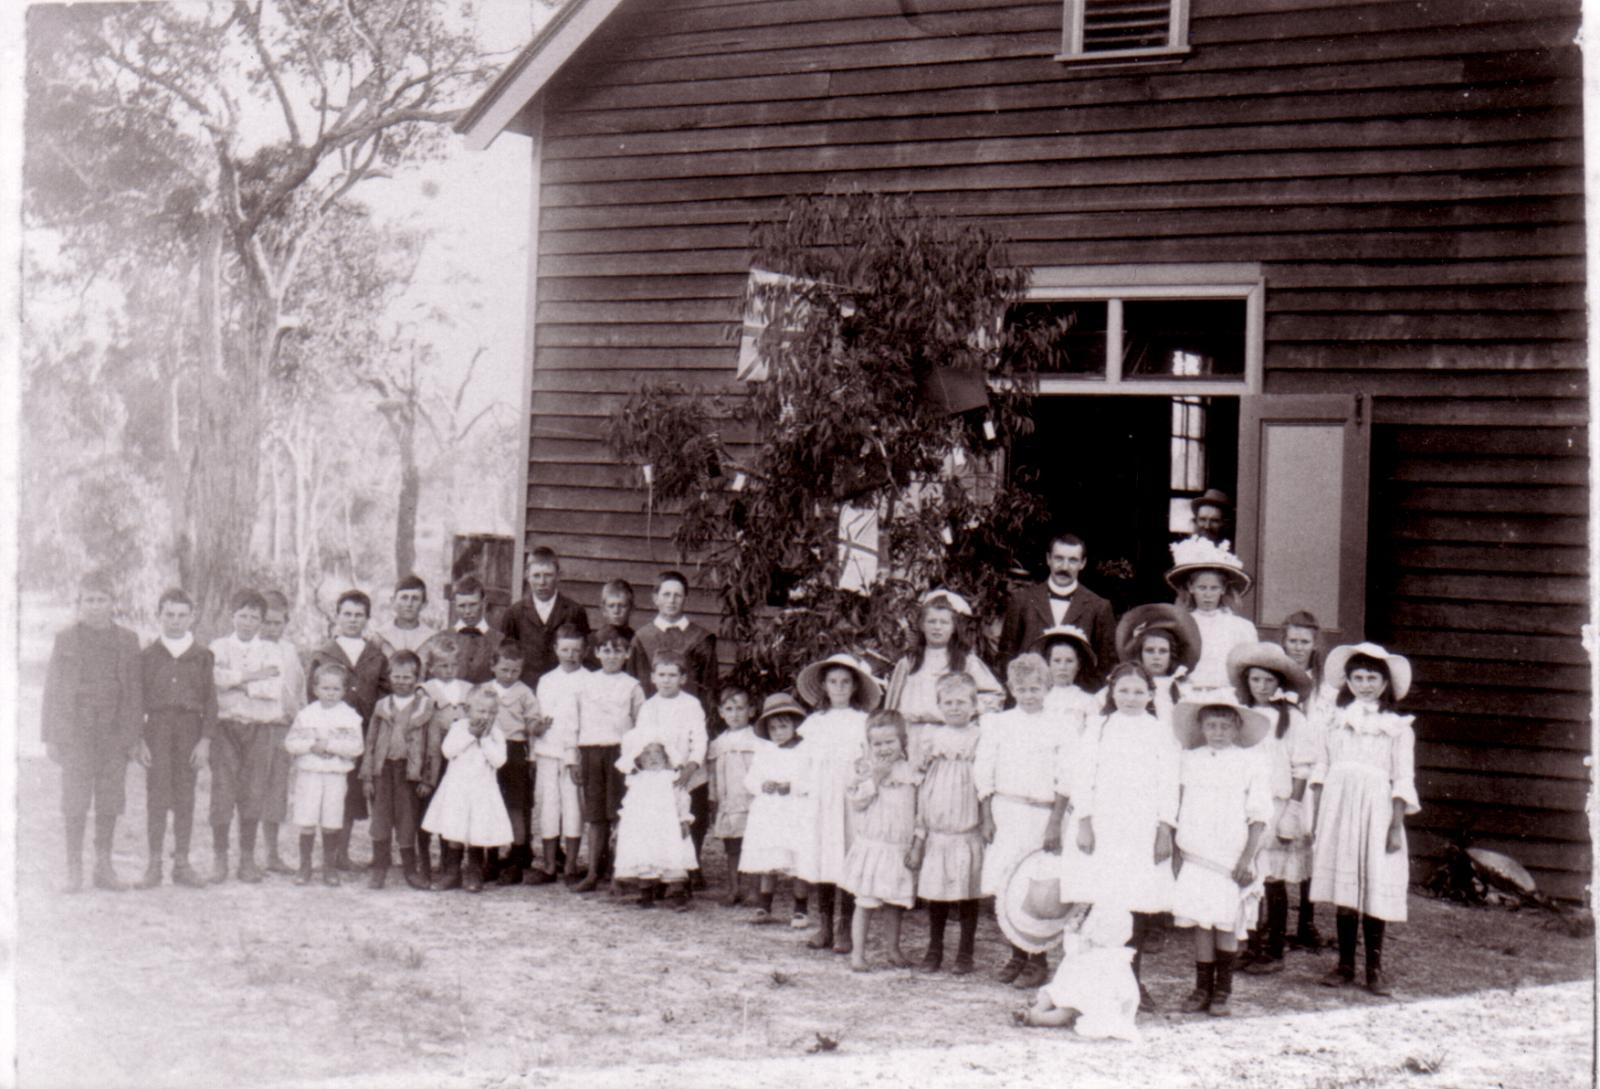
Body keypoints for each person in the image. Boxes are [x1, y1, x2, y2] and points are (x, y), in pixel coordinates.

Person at [1047, 662, 1178, 1012]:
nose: (1131, 698)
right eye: (1124, 691)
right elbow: (1082, 776)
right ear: (1111, 692)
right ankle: (1088, 984)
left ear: (1151, 695)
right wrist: (1085, 822)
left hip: (1140, 826)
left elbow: (1168, 782)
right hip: (1103, 824)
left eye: (1139, 692)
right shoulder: (1098, 727)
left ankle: (1131, 983)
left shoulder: (1160, 731)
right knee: (1099, 901)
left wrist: (1165, 828)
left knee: (1133, 904)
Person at [1310, 643, 1418, 997]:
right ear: (1348, 681)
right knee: (1345, 887)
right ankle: (1344, 965)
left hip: (1377, 809)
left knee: (1373, 881)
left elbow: (1402, 779)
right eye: (1358, 677)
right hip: (1339, 806)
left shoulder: (1397, 727)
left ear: (1385, 682)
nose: (1365, 684)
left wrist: (1395, 825)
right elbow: (1321, 769)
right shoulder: (1335, 721)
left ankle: (1374, 968)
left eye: (1372, 678)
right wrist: (1316, 815)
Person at [1170, 694, 1272, 1017]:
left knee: (1225, 921)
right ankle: (1202, 988)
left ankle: (1223, 991)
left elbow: (1258, 815)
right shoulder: (1190, 759)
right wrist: (1176, 849)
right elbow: (1179, 802)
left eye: (1225, 726)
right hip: (1196, 852)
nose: (1218, 732)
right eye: (1211, 725)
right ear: (1201, 727)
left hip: (1230, 856)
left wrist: (1248, 857)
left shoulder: (1250, 761)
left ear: (1236, 727)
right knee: (1202, 920)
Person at [976, 654, 1066, 989]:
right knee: (1005, 883)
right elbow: (984, 771)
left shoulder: (1060, 725)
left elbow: (1066, 778)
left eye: (1036, 688)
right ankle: (1017, 954)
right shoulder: (999, 724)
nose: (1029, 695)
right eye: (1022, 689)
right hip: (1007, 812)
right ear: (1011, 690)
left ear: (1047, 688)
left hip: (1042, 815)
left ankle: (1038, 959)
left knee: (1036, 887)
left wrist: (1056, 822)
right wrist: (986, 816)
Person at [1228, 642, 1315, 975]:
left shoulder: (1291, 717)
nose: (1261, 687)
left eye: (1268, 681)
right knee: (1250, 876)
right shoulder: (1241, 715)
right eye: (1255, 680)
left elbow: (1301, 767)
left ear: (1279, 683)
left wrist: (1293, 808)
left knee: (1274, 880)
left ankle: (1275, 949)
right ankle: (1252, 943)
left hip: (1277, 805)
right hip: (1246, 804)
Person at [628, 571, 719, 868]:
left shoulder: (700, 637)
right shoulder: (642, 637)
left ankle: (690, 867)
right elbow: (635, 684)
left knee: (691, 801)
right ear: (655, 598)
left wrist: (700, 743)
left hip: (689, 727)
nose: (671, 600)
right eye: (665, 594)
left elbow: (709, 687)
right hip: (654, 732)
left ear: (685, 598)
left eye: (677, 594)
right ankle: (657, 863)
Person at [793, 652, 880, 955]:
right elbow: (803, 764)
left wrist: (864, 788)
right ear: (824, 686)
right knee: (822, 857)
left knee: (846, 857)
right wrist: (802, 794)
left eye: (845, 682)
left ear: (855, 686)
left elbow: (868, 762)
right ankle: (825, 924)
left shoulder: (862, 722)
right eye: (833, 682)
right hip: (820, 799)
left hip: (848, 799)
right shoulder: (815, 723)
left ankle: (845, 926)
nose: (839, 687)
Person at [138, 588, 216, 889]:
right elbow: (137, 700)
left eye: (182, 615)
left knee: (185, 796)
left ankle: (181, 862)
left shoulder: (202, 656)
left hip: (189, 731)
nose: (175, 621)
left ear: (192, 617)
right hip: (157, 729)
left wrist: (205, 740)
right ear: (159, 616)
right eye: (169, 614)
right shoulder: (148, 655)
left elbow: (211, 702)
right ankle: (154, 864)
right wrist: (139, 739)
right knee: (156, 796)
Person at [307, 589, 390, 871]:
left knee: (352, 790)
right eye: (347, 614)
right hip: (330, 733)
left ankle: (342, 852)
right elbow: (311, 695)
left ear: (367, 618)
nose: (353, 620)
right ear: (337, 616)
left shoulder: (376, 655)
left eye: (359, 615)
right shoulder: (324, 653)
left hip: (364, 733)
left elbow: (384, 693)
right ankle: (329, 856)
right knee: (330, 789)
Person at [909, 670, 985, 975]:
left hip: (968, 824)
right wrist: (920, 828)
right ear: (939, 705)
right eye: (949, 702)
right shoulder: (932, 737)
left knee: (968, 890)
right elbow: (921, 780)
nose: (955, 707)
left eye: (961, 702)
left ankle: (965, 951)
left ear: (974, 704)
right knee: (937, 891)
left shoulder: (980, 736)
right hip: (939, 825)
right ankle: (934, 948)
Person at [208, 589, 284, 884]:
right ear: (232, 616)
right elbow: (214, 682)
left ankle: (247, 858)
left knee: (253, 791)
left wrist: (235, 681)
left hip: (259, 727)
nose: (248, 622)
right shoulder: (218, 646)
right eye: (243, 615)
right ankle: (219, 858)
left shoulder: (271, 650)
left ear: (262, 621)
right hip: (225, 727)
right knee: (223, 790)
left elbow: (273, 691)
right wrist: (253, 677)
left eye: (255, 617)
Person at [626, 649, 710, 905]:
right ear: (653, 677)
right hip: (659, 778)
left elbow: (699, 737)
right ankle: (659, 877)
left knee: (685, 826)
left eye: (672, 675)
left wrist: (692, 765)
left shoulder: (691, 704)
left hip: (687, 774)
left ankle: (683, 878)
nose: (666, 680)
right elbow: (643, 740)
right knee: (658, 828)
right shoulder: (649, 707)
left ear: (683, 678)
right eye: (661, 675)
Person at [842, 710, 920, 972]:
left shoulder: (910, 771)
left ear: (902, 742)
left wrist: (916, 843)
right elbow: (857, 802)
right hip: (874, 846)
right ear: (868, 745)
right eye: (878, 743)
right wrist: (875, 777)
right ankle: (858, 953)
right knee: (865, 902)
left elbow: (919, 810)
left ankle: (892, 949)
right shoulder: (864, 770)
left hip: (899, 847)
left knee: (894, 902)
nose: (884, 748)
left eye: (890, 742)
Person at [573, 625, 644, 893]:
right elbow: (575, 722)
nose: (612, 656)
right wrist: (575, 758)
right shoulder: (586, 683)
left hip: (620, 754)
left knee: (619, 815)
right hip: (591, 752)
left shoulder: (633, 687)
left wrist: (635, 759)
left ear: (627, 654)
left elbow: (640, 724)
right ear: (597, 653)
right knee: (595, 816)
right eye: (606, 651)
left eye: (618, 651)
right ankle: (592, 872)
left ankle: (619, 874)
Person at [422, 686, 514, 894]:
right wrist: (471, 736)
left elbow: (499, 761)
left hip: (483, 791)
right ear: (468, 710)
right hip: (458, 788)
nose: (486, 716)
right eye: (481, 711)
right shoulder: (459, 728)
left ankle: (474, 871)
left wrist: (483, 739)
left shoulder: (496, 734)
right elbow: (448, 751)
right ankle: (452, 873)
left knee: (477, 831)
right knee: (455, 829)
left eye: (491, 712)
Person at [284, 662, 366, 887]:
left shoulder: (349, 716)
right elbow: (291, 743)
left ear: (344, 690)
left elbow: (357, 747)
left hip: (335, 775)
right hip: (310, 773)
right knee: (307, 819)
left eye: (336, 689)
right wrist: (312, 745)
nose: (330, 694)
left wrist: (330, 745)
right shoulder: (306, 714)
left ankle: (329, 867)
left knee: (331, 820)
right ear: (315, 689)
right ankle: (305, 866)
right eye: (326, 688)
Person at [360, 650, 435, 891]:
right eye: (397, 676)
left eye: (407, 677)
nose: (402, 682)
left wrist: (428, 779)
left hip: (409, 774)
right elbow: (370, 743)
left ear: (417, 678)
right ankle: (380, 867)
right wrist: (368, 776)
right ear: (389, 676)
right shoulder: (382, 706)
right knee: (380, 818)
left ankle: (410, 870)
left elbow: (432, 747)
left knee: (407, 819)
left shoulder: (425, 708)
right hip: (383, 771)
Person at [1278, 608, 1330, 950]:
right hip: (1287, 769)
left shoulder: (1325, 686)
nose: (1298, 647)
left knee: (1310, 839)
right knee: (1280, 840)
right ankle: (1274, 919)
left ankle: (1306, 920)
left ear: (1314, 644)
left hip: (1317, 772)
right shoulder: (1278, 679)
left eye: (1304, 642)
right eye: (1292, 640)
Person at [998, 534, 1116, 679]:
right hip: (1030, 692)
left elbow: (1106, 665)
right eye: (1059, 558)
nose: (1064, 567)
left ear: (1083, 563)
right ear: (1049, 559)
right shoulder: (1022, 601)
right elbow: (1006, 655)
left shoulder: (1099, 607)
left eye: (1073, 560)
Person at [1015, 904, 1140, 1041]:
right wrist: (1075, 929)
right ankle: (1037, 1009)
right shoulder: (1093, 911)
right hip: (1081, 965)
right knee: (1056, 992)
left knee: (1070, 1006)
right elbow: (1078, 945)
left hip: (1095, 974)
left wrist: (1083, 936)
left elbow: (1104, 940)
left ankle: (1037, 1017)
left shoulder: (1119, 917)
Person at [885, 589, 1003, 731]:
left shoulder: (967, 662)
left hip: (950, 735)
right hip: (912, 735)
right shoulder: (909, 662)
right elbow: (891, 707)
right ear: (922, 625)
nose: (937, 627)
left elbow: (995, 696)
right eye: (932, 621)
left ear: (954, 628)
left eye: (944, 622)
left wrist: (966, 712)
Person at [739, 693, 811, 926]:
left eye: (783, 726)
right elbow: (750, 780)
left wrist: (792, 786)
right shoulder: (765, 752)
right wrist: (763, 785)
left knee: (796, 859)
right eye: (773, 728)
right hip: (769, 812)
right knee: (768, 860)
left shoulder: (805, 751)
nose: (778, 732)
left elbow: (812, 780)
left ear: (795, 725)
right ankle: (764, 906)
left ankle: (800, 909)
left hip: (795, 811)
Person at [612, 740, 697, 910]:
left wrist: (683, 820)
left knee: (672, 856)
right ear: (639, 760)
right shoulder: (635, 780)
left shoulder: (671, 778)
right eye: (647, 753)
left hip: (668, 826)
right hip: (643, 827)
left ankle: (678, 896)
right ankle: (646, 895)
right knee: (645, 857)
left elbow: (682, 800)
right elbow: (628, 804)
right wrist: (620, 826)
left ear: (666, 758)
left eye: (657, 752)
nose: (652, 757)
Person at [1165, 537, 1257, 694]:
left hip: (1227, 694)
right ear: (1191, 587)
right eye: (1202, 588)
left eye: (1214, 588)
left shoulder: (1241, 627)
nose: (1208, 594)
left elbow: (1251, 665)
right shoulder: (1180, 624)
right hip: (1188, 693)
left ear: (1223, 589)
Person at [532, 625, 586, 884]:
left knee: (573, 807)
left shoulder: (589, 681)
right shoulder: (546, 681)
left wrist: (575, 756)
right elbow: (539, 719)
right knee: (549, 807)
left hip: (574, 755)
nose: (570, 655)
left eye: (575, 650)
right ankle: (550, 864)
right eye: (565, 649)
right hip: (547, 752)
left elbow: (583, 723)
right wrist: (537, 740)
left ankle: (572, 867)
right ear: (555, 650)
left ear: (584, 651)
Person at [485, 644, 543, 884]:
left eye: (515, 671)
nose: (509, 675)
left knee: (515, 806)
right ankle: (490, 858)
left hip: (515, 750)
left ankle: (517, 860)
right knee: (489, 804)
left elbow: (532, 724)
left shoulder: (525, 693)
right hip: (489, 749)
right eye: (504, 669)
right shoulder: (485, 690)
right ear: (493, 666)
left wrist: (538, 727)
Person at [258, 590, 307, 875]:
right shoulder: (249, 648)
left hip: (281, 728)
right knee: (254, 788)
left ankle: (273, 853)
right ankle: (246, 853)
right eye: (266, 622)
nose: (271, 629)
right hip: (254, 728)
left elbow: (297, 689)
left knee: (276, 789)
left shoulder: (289, 651)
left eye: (277, 623)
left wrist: (297, 719)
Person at [418, 635, 471, 888]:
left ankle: (452, 865)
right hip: (433, 759)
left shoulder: (467, 689)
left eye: (452, 665)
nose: (448, 671)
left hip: (460, 760)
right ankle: (424, 862)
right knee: (429, 807)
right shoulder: (425, 690)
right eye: (442, 666)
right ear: (431, 667)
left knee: (454, 809)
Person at [500, 547, 591, 687]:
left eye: (548, 575)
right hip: (525, 689)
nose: (542, 582)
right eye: (536, 575)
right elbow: (506, 656)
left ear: (558, 576)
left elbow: (584, 655)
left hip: (564, 689)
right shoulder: (514, 613)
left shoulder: (574, 611)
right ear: (527, 575)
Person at [706, 687, 759, 905]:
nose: (734, 714)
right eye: (729, 709)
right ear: (721, 712)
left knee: (753, 845)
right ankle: (734, 888)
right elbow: (713, 776)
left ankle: (754, 891)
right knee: (732, 847)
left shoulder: (757, 740)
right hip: (728, 802)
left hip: (751, 801)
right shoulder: (718, 744)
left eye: (740, 708)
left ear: (751, 711)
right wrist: (713, 799)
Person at [1113, 604, 1202, 723]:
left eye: (1163, 651)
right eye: (1150, 651)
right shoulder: (1125, 686)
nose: (1156, 657)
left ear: (1172, 655)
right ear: (1140, 654)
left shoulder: (1184, 689)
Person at [423, 575, 501, 685]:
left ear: (484, 603)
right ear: (455, 606)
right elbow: (430, 681)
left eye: (473, 605)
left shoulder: (500, 641)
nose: (467, 611)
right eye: (462, 606)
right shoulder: (440, 639)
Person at [1034, 626, 1100, 734]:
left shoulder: (1088, 701)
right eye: (1057, 661)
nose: (1062, 667)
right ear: (1048, 663)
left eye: (1069, 661)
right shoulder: (1038, 697)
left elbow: (1092, 736)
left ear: (1078, 665)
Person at [372, 574, 439, 658]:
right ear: (393, 601)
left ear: (424, 604)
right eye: (404, 598)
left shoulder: (432, 638)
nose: (409, 604)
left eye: (415, 598)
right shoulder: (379, 637)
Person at [586, 578, 636, 670]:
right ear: (603, 610)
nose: (616, 611)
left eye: (622, 606)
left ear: (631, 609)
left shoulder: (635, 640)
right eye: (611, 606)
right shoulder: (594, 640)